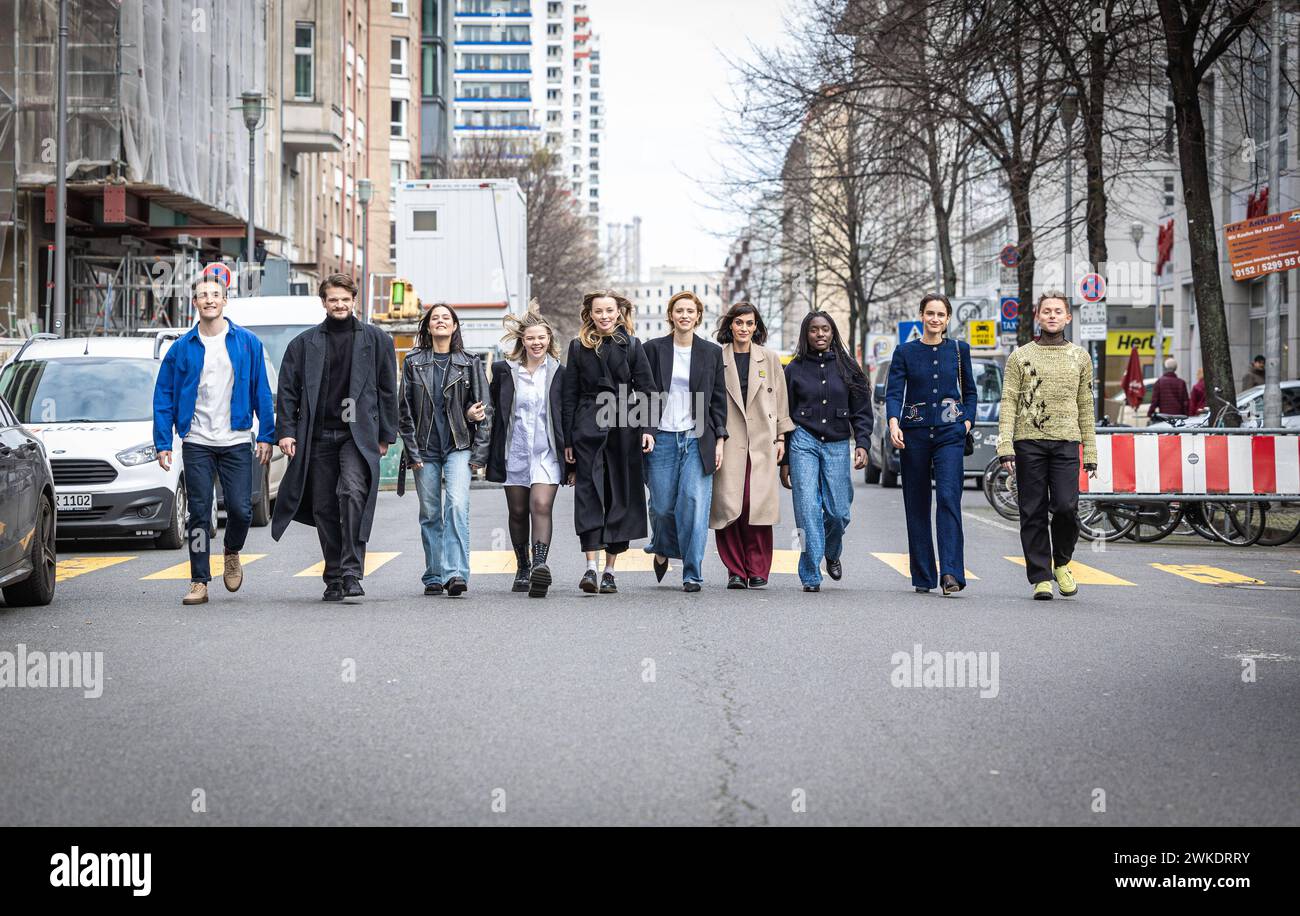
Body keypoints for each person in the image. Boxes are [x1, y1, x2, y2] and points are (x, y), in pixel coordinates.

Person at [272, 274, 398, 602]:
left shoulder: (377, 340)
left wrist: (386, 434)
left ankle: (352, 571)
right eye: (333, 300)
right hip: (317, 434)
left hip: (356, 435)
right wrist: (285, 431)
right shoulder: (303, 344)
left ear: (354, 300)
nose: (339, 305)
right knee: (324, 507)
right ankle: (333, 577)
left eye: (345, 299)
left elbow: (387, 390)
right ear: (324, 303)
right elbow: (287, 390)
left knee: (353, 492)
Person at [152, 272, 274, 606]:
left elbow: (261, 390)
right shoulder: (181, 348)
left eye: (215, 294)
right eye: (203, 294)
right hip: (197, 441)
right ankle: (199, 581)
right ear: (195, 302)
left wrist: (266, 433)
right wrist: (163, 442)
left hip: (236, 438)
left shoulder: (247, 342)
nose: (209, 299)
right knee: (199, 513)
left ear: (224, 301)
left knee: (241, 510)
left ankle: (232, 551)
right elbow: (163, 395)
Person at [996, 292, 1097, 601]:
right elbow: (1009, 400)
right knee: (1033, 510)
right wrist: (1005, 444)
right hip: (1029, 442)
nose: (1052, 315)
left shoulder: (1080, 356)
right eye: (1046, 311)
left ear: (1068, 317)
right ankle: (1040, 576)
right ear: (1038, 317)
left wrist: (1090, 451)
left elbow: (1085, 405)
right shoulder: (1019, 356)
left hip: (1067, 441)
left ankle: (1062, 562)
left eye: (1058, 311)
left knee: (1067, 507)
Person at [560, 290, 657, 594]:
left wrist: (647, 429)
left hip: (624, 428)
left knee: (619, 495)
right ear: (590, 314)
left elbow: (647, 390)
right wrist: (568, 440)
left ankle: (611, 571)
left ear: (618, 313)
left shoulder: (632, 345)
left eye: (609, 311)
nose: (604, 316)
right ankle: (591, 567)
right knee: (588, 493)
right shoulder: (578, 348)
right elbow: (569, 396)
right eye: (598, 311)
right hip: (587, 427)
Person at [399, 303, 492, 598]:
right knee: (429, 513)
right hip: (424, 450)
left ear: (454, 326)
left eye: (446, 318)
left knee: (456, 506)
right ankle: (434, 575)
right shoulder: (414, 362)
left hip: (459, 446)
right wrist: (412, 452)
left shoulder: (469, 362)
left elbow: (485, 410)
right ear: (428, 326)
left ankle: (455, 574)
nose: (440, 322)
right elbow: (405, 411)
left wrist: (479, 454)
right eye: (435, 318)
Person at [885, 293, 976, 595]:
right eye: (930, 313)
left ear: (948, 319)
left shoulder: (960, 351)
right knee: (917, 503)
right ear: (921, 316)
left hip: (951, 434)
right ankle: (924, 575)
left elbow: (971, 394)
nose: (935, 319)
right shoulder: (905, 352)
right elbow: (895, 392)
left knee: (949, 499)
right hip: (915, 435)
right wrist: (894, 422)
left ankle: (951, 573)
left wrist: (967, 422)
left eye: (941, 314)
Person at [641, 291, 728, 592]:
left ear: (698, 316)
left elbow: (718, 401)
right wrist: (645, 429)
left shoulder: (711, 352)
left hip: (697, 436)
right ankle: (662, 547)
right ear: (671, 316)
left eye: (690, 311)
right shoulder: (652, 349)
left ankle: (692, 572)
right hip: (662, 436)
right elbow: (643, 392)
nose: (685, 315)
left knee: (693, 501)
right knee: (663, 507)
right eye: (679, 310)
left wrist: (720, 441)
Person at [780, 311, 873, 592]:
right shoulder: (793, 369)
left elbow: (862, 411)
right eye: (814, 330)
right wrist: (784, 461)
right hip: (802, 442)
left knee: (838, 512)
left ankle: (832, 551)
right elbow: (784, 416)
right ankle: (810, 573)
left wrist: (864, 443)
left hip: (837, 444)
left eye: (825, 329)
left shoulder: (849, 368)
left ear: (833, 332)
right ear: (805, 335)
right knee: (806, 509)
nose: (820, 334)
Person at [487, 307, 570, 598]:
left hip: (547, 452)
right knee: (518, 511)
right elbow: (493, 410)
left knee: (541, 506)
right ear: (522, 341)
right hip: (515, 451)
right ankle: (522, 566)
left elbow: (566, 413)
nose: (537, 343)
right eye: (531, 338)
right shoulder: (504, 371)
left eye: (542, 338)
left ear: (549, 340)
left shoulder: (560, 372)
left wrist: (570, 450)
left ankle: (539, 567)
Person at [710, 302, 793, 589]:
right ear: (730, 325)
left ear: (756, 327)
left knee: (757, 505)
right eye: (739, 323)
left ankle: (758, 569)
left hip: (762, 439)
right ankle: (734, 569)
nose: (744, 328)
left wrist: (782, 437)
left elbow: (780, 399)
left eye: (749, 323)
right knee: (730, 504)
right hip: (729, 439)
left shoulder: (769, 359)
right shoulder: (716, 357)